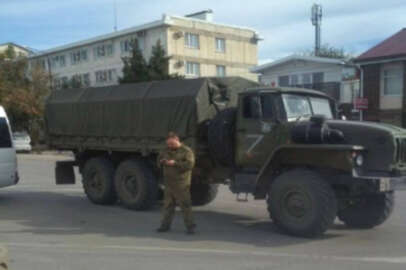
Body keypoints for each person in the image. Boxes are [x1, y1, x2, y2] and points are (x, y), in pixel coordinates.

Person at [156, 132, 196, 234]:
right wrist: (162, 162)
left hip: (181, 184)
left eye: (172, 144)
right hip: (169, 184)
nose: (170, 146)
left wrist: (175, 163)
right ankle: (165, 226)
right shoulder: (165, 150)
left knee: (185, 205)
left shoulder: (186, 151)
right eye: (168, 144)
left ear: (177, 140)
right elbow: (158, 161)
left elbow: (190, 164)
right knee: (168, 206)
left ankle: (190, 227)